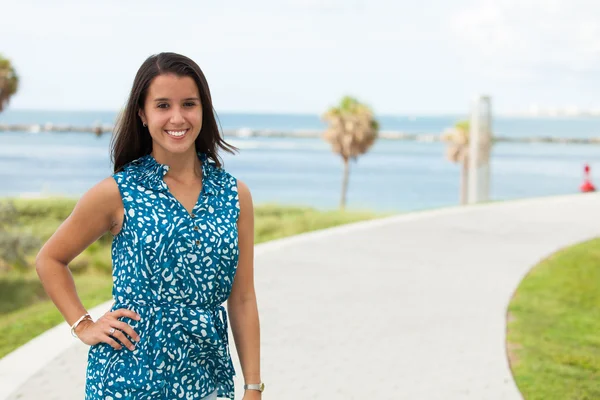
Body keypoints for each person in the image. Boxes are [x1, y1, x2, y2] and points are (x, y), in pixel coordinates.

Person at [35, 52, 264, 400]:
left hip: (209, 378)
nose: (177, 117)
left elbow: (243, 298)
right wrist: (83, 325)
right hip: (128, 380)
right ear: (142, 114)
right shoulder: (118, 192)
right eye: (162, 105)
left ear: (204, 110)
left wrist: (253, 385)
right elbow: (50, 259)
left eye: (189, 103)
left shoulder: (234, 195)